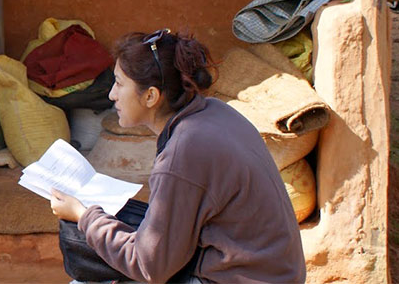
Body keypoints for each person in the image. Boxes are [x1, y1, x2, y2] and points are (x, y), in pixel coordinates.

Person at [49, 29, 306, 283]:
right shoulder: (214, 111)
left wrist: (83, 216)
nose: (111, 94)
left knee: (86, 263)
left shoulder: (183, 153)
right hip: (277, 273)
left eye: (119, 83)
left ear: (150, 96)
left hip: (242, 278)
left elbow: (149, 267)